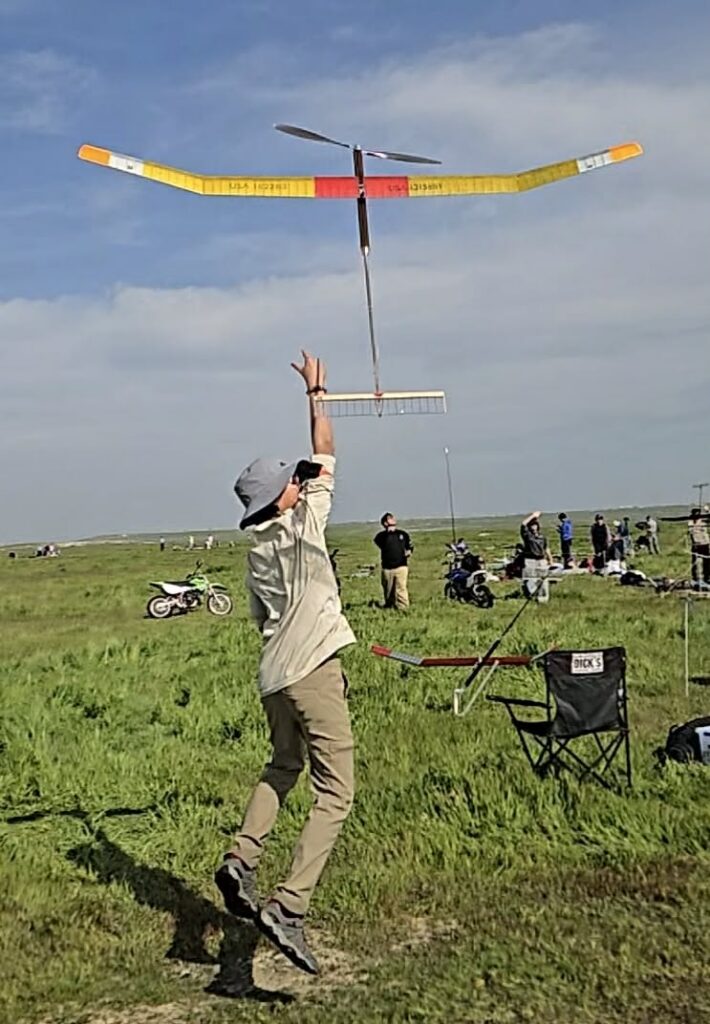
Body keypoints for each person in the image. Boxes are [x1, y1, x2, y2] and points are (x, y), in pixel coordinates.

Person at [214, 351, 355, 976]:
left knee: (282, 765)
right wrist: (317, 390)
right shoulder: (304, 525)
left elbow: (260, 620)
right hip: (312, 671)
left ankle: (242, 858)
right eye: (293, 480)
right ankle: (289, 905)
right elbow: (325, 448)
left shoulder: (255, 552)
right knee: (337, 792)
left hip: (272, 675)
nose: (302, 482)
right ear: (284, 497)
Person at [373, 513, 412, 610]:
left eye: (393, 518)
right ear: (385, 523)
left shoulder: (403, 534)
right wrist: (389, 532)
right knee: (388, 589)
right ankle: (389, 606)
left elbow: (409, 546)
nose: (393, 519)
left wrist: (409, 551)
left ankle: (403, 607)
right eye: (390, 518)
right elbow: (382, 543)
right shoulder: (381, 536)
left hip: (401, 566)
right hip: (387, 567)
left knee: (401, 588)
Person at [520, 511, 552, 602]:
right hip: (530, 560)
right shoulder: (527, 536)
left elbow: (546, 548)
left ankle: (542, 599)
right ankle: (530, 593)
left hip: (541, 560)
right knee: (532, 580)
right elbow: (523, 524)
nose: (533, 527)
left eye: (535, 525)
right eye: (531, 525)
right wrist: (533, 516)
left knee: (543, 580)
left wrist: (550, 559)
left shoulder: (542, 537)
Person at [688, 508, 710, 586]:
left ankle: (707, 577)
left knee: (706, 562)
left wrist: (707, 511)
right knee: (694, 562)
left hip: (705, 544)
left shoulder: (703, 521)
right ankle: (695, 578)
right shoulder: (690, 522)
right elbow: (691, 533)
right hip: (695, 545)